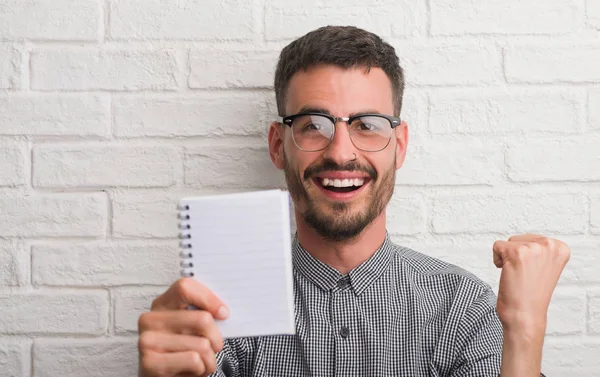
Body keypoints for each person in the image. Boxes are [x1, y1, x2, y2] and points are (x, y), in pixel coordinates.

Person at [137, 26, 570, 377]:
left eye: (367, 124)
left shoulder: (461, 308)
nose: (341, 152)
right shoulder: (218, 313)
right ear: (277, 145)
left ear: (399, 146)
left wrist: (525, 331)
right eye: (313, 125)